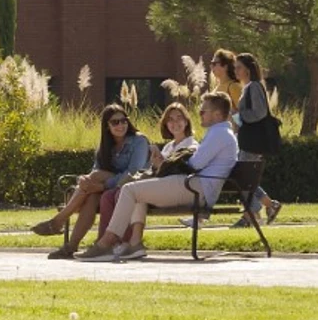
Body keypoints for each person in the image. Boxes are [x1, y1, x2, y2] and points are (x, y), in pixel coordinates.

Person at [78, 92, 239, 262]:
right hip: (195, 186)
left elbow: (194, 164)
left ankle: (106, 243)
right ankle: (134, 243)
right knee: (138, 189)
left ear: (217, 114)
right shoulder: (221, 133)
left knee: (129, 189)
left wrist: (166, 163)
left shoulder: (219, 134)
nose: (199, 113)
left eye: (203, 111)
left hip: (195, 188)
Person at [36, 104, 150, 259]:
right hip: (108, 187)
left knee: (95, 181)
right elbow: (96, 170)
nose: (120, 125)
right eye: (115, 122)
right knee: (92, 195)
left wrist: (101, 185)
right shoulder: (105, 146)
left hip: (131, 185)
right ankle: (70, 246)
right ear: (107, 126)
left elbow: (134, 172)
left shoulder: (139, 141)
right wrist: (84, 180)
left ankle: (59, 221)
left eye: (123, 121)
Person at [229, 52, 282, 225]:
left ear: (248, 69)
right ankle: (269, 205)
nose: (235, 71)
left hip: (253, 142)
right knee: (246, 178)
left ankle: (250, 214)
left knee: (244, 177)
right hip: (249, 141)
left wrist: (239, 115)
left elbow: (259, 113)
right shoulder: (249, 87)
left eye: (239, 68)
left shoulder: (253, 86)